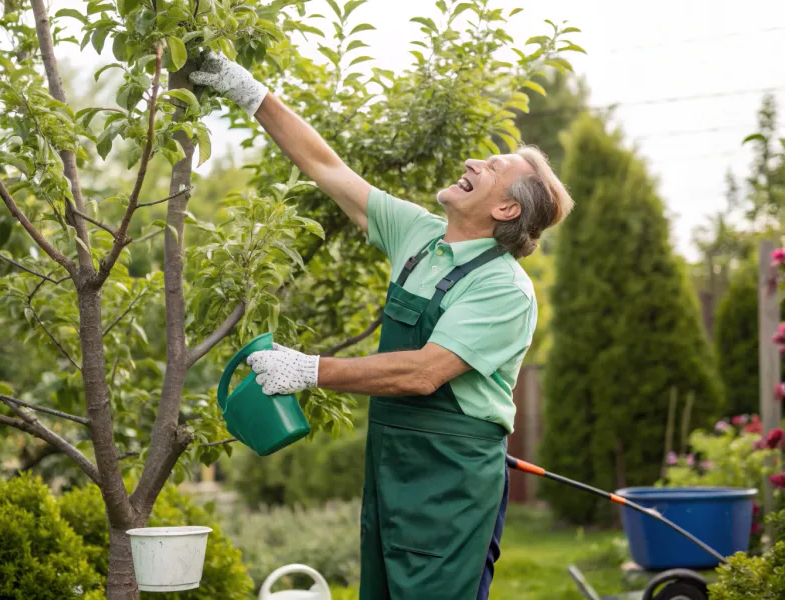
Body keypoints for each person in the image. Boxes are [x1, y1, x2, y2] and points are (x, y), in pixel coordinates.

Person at [190, 51, 574, 599]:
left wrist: (307, 369)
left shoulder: (503, 289)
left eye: (491, 168)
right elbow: (327, 168)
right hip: (392, 463)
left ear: (507, 211)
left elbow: (424, 373)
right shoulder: (419, 236)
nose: (473, 163)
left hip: (452, 481)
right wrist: (249, 92)